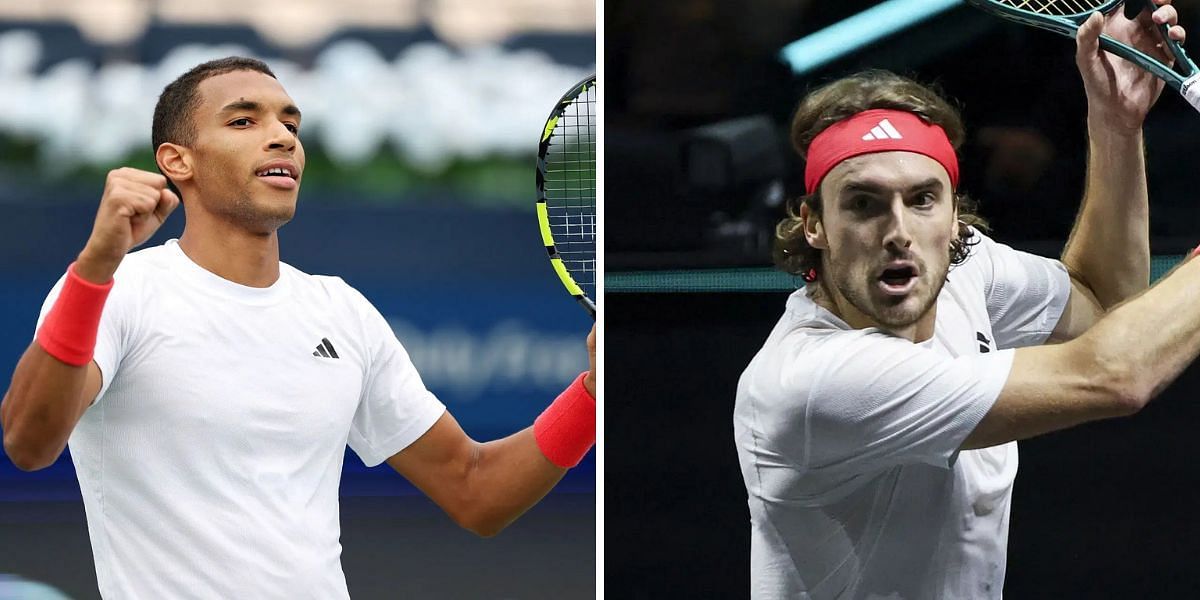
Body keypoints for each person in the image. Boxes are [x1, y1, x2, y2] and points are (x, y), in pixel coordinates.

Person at [0, 57, 596, 597]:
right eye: (243, 122)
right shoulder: (118, 291)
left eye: (291, 123)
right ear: (177, 161)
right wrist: (95, 268)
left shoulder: (341, 311)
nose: (282, 135)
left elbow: (476, 490)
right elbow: (28, 443)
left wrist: (592, 396)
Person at [734, 5, 1187, 599]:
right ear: (813, 224)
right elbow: (1113, 374)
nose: (898, 230)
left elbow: (1103, 305)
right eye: (864, 204)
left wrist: (1115, 124)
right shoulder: (814, 383)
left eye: (922, 199)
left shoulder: (964, 268)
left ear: (953, 218)